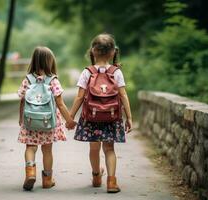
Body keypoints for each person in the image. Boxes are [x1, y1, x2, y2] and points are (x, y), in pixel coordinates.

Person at [67, 33, 133, 193]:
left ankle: (96, 176)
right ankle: (111, 182)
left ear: (93, 52)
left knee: (94, 149)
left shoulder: (87, 72)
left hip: (91, 117)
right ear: (112, 52)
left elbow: (80, 97)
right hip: (111, 117)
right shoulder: (116, 72)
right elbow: (123, 95)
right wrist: (129, 117)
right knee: (109, 149)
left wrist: (70, 117)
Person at [18, 46, 76, 191]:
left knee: (30, 147)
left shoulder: (28, 80)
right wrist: (69, 120)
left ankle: (30, 173)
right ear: (50, 62)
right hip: (48, 121)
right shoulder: (52, 80)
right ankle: (47, 180)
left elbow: (23, 101)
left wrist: (21, 118)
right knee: (47, 150)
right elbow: (61, 104)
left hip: (30, 120)